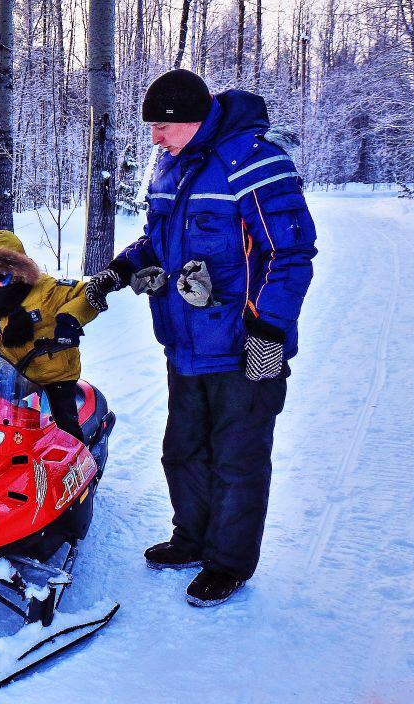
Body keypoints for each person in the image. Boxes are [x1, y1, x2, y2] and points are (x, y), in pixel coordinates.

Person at [83, 68, 317, 607]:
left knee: (238, 458)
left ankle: (228, 563)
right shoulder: (172, 168)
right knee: (183, 450)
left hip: (244, 348)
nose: (154, 139)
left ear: (190, 119)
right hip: (186, 343)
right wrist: (118, 272)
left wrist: (267, 331)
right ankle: (191, 539)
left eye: (161, 127)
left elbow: (289, 255)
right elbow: (156, 241)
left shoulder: (255, 162)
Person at [0, 230, 100, 440]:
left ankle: (78, 464)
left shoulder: (47, 291)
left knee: (64, 429)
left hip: (54, 374)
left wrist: (70, 320)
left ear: (18, 274)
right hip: (15, 373)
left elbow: (88, 293)